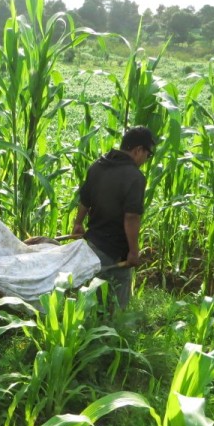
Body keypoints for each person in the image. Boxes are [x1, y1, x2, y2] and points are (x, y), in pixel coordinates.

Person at [72, 126, 157, 310]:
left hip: (92, 244)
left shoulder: (98, 165)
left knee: (92, 299)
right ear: (138, 150)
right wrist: (134, 252)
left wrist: (78, 223)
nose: (145, 160)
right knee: (118, 304)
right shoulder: (135, 177)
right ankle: (117, 333)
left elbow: (84, 200)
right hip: (114, 251)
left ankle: (91, 330)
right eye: (148, 155)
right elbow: (131, 217)